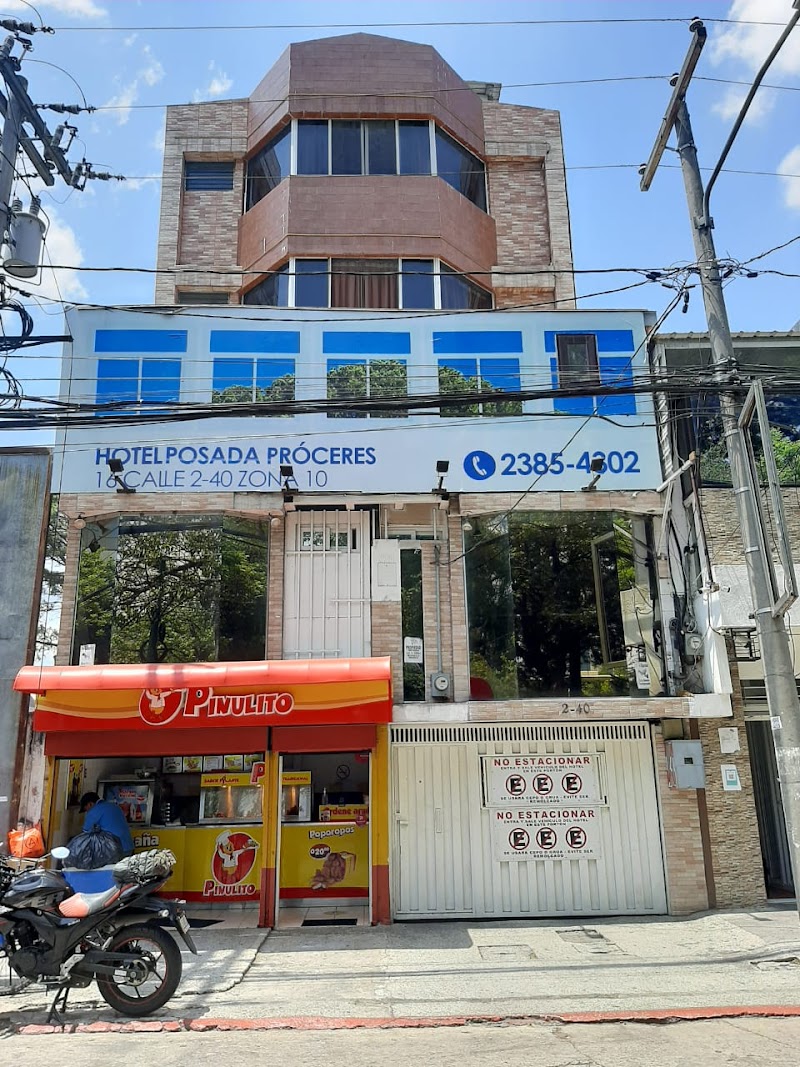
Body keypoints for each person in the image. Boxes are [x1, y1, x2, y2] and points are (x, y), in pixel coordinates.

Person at [79, 791, 134, 856]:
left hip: (113, 850)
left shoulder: (94, 810)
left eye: (86, 809)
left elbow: (85, 834)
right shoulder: (115, 806)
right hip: (129, 846)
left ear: (90, 804)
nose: (87, 812)